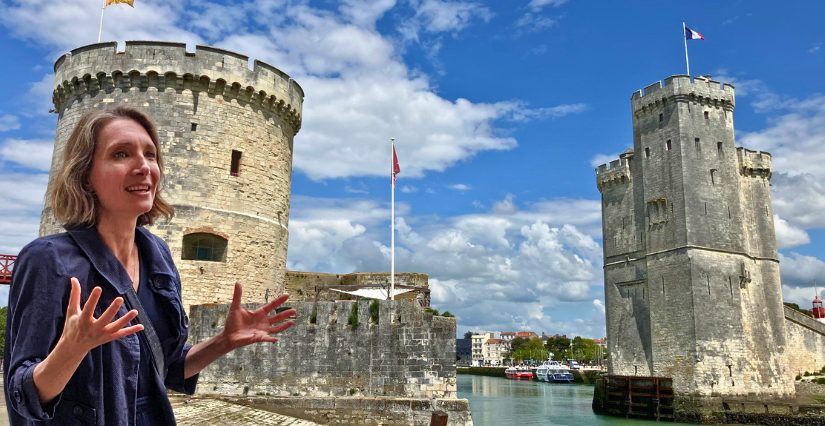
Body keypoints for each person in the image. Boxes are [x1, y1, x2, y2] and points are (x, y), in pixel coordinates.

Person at [3, 105, 296, 425]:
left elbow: (166, 368)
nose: (143, 166)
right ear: (86, 175)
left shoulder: (157, 255)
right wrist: (71, 350)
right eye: (120, 154)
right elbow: (21, 395)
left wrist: (223, 341)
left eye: (151, 155)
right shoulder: (47, 259)